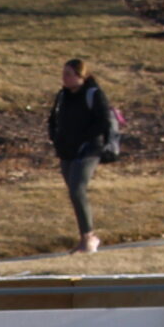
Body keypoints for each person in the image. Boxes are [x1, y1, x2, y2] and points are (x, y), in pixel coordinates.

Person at [47, 57, 117, 254]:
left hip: (89, 150)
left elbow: (104, 121)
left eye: (68, 74)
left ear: (81, 76)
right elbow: (53, 119)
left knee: (77, 189)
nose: (64, 78)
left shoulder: (93, 94)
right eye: (63, 74)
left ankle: (88, 238)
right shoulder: (63, 95)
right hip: (67, 151)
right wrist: (55, 137)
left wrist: (84, 138)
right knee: (73, 192)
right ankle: (85, 236)